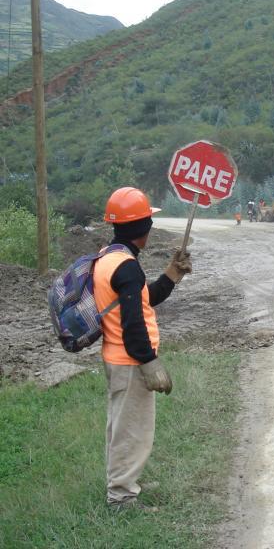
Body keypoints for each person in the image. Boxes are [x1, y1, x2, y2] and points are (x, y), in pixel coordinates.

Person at [94, 187, 192, 512]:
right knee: (132, 430)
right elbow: (133, 324)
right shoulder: (126, 266)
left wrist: (171, 276)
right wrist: (150, 362)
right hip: (129, 360)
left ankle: (125, 480)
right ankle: (121, 497)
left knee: (121, 425)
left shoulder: (110, 257)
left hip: (116, 356)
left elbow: (141, 299)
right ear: (144, 229)